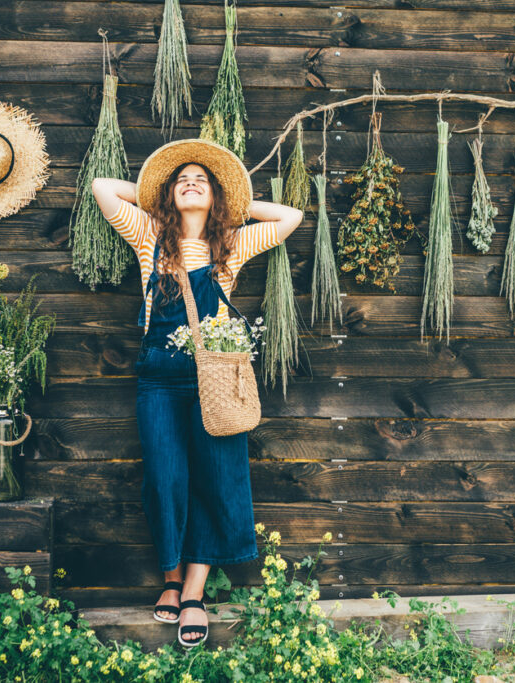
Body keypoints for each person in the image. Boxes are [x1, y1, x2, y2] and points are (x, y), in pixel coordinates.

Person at [90, 138, 303, 647]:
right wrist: (155, 192)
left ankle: (192, 593)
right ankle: (168, 578)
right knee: (165, 479)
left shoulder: (231, 243)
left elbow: (289, 217)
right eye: (181, 180)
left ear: (215, 199)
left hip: (215, 380)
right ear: (167, 195)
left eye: (201, 181)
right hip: (159, 377)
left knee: (212, 477)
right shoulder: (148, 237)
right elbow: (103, 188)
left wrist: (234, 200)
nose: (190, 182)